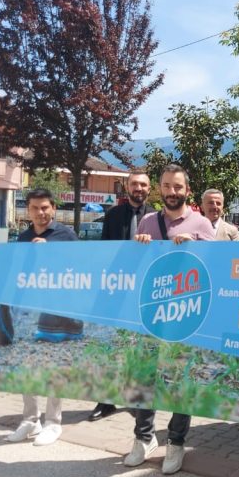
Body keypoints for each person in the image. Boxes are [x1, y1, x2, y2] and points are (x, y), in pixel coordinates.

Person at [127, 164, 216, 474]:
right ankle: (144, 437)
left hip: (185, 316)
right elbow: (136, 269)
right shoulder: (147, 222)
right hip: (152, 315)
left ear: (187, 190)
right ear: (160, 189)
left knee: (181, 380)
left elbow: (214, 267)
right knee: (145, 377)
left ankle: (176, 442)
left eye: (177, 186)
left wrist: (195, 245)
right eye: (166, 186)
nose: (172, 192)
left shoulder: (202, 224)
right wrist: (138, 248)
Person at [0, 188, 79, 446]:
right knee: (26, 361)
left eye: (45, 207)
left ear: (53, 208)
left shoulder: (66, 235)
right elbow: (14, 270)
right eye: (35, 208)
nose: (40, 213)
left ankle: (53, 422)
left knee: (53, 364)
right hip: (28, 310)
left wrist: (51, 252)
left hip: (56, 312)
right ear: (28, 210)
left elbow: (80, 267)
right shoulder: (24, 237)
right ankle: (30, 419)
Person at [87, 169, 155, 422]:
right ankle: (105, 401)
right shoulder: (113, 215)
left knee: (139, 349)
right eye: (134, 184)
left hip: (145, 291)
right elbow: (105, 251)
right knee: (110, 346)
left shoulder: (157, 218)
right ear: (127, 187)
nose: (139, 188)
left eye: (143, 185)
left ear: (149, 189)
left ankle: (136, 398)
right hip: (117, 289)